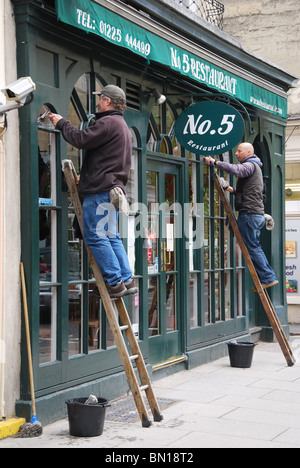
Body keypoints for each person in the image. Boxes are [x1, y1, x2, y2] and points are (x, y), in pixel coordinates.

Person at [49, 85, 137, 298]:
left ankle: (114, 283)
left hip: (100, 192)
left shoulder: (107, 122)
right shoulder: (122, 125)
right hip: (111, 190)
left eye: (100, 99)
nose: (98, 103)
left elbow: (79, 139)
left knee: (96, 236)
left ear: (107, 101)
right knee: (111, 235)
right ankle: (126, 279)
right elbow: (107, 161)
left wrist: (61, 122)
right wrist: (87, 176)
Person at [205, 142, 278, 289]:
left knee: (253, 247)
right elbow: (246, 191)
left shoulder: (250, 165)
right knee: (254, 247)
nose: (236, 153)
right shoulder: (254, 167)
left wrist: (216, 162)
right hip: (254, 214)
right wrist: (230, 189)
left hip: (250, 214)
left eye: (239, 151)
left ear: (249, 152)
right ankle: (266, 277)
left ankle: (268, 277)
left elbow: (236, 170)